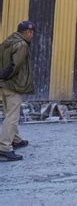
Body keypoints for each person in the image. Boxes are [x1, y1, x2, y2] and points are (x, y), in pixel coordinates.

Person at [0, 20, 35, 161]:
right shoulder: (21, 45)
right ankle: (4, 148)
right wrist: (4, 77)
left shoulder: (8, 42)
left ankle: (16, 139)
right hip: (12, 85)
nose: (32, 35)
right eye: (32, 33)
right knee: (12, 117)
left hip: (4, 85)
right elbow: (15, 66)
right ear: (27, 32)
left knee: (10, 112)